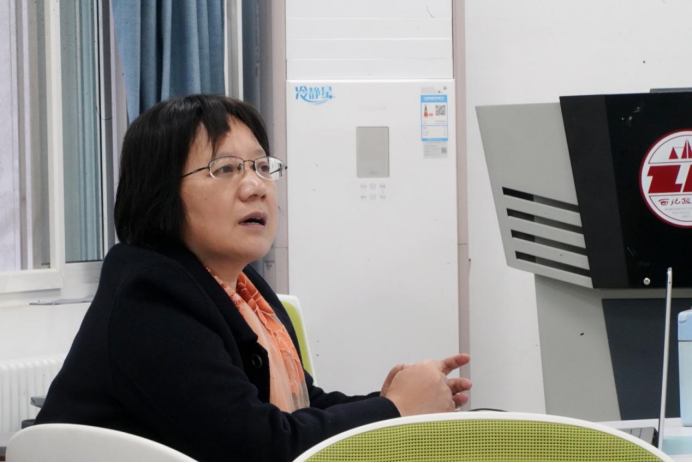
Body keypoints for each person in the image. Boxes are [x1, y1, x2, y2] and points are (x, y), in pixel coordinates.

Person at [35, 95, 472, 462]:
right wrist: (394, 409)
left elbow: (303, 406)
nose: (256, 186)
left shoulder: (244, 288)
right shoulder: (150, 296)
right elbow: (260, 448)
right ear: (160, 192)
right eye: (226, 169)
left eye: (263, 167)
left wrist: (392, 401)